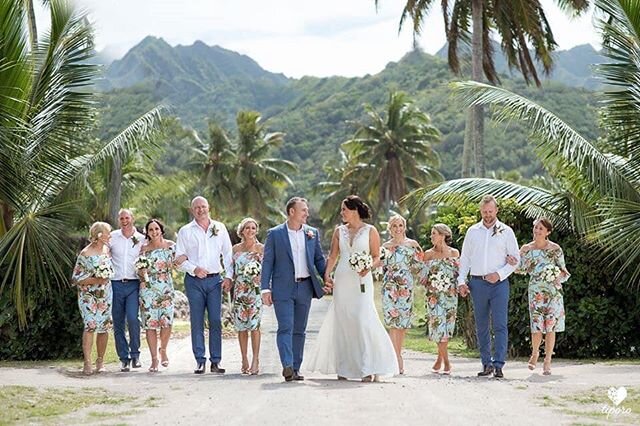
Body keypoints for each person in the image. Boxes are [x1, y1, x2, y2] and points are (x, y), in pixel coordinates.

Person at [307, 195, 398, 382]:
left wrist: (369, 267)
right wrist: (326, 274)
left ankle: (368, 367)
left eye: (344, 209)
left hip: (362, 281)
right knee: (344, 320)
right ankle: (345, 367)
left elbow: (376, 256)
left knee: (362, 319)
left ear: (354, 210)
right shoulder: (339, 231)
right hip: (342, 279)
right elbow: (333, 256)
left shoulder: (370, 231)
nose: (341, 213)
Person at [261, 197, 327, 382]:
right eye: (303, 210)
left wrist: (328, 277)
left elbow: (319, 260)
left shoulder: (312, 233)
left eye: (306, 210)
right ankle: (287, 365)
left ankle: (296, 369)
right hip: (283, 288)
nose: (307, 213)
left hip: (305, 287)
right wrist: (265, 289)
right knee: (285, 327)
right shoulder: (275, 234)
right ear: (292, 212)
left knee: (299, 330)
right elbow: (268, 262)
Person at [457, 195, 520, 379]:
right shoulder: (472, 231)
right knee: (482, 325)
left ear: (496, 210)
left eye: (490, 211)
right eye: (484, 212)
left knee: (500, 324)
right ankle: (486, 364)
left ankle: (499, 364)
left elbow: (515, 260)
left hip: (499, 284)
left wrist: (499, 274)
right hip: (477, 283)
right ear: (480, 211)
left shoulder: (506, 231)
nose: (487, 215)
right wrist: (461, 281)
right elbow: (465, 258)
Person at [176, 196, 233, 374]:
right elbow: (179, 259)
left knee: (216, 320)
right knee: (197, 320)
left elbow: (228, 254)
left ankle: (216, 361)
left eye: (203, 207)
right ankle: (200, 360)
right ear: (192, 210)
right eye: (196, 207)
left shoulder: (220, 228)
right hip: (194, 281)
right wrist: (194, 269)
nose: (200, 210)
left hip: (215, 280)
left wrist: (229, 276)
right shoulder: (185, 231)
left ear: (209, 208)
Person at [507, 218, 570, 375]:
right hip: (536, 292)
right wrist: (513, 260)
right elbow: (519, 268)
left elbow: (564, 271)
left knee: (550, 326)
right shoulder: (527, 248)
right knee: (536, 326)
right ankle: (535, 353)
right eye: (535, 228)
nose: (537, 231)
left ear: (548, 232)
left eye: (540, 228)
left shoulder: (555, 249)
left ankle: (548, 360)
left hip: (553, 292)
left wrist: (557, 277)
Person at [381, 214, 422, 374]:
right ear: (390, 229)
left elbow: (419, 265)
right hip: (390, 286)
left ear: (404, 227)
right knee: (393, 321)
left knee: (402, 322)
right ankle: (396, 358)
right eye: (394, 226)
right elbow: (379, 263)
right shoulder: (385, 246)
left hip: (406, 286)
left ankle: (398, 353)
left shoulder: (412, 244)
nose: (398, 229)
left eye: (400, 225)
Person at [71, 222, 113, 375]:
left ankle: (100, 361)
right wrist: (96, 280)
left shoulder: (107, 250)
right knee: (90, 326)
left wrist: (105, 278)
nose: (111, 235)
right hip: (88, 296)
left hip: (106, 295)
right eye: (109, 233)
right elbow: (76, 278)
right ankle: (87, 362)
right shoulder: (85, 254)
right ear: (100, 235)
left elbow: (110, 272)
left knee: (104, 327)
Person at [419, 224, 461, 375]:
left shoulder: (454, 253)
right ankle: (447, 363)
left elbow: (459, 275)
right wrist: (428, 280)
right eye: (431, 234)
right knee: (438, 328)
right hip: (434, 297)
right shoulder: (428, 254)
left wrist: (460, 286)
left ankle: (439, 359)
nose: (431, 237)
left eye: (434, 234)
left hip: (450, 296)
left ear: (443, 236)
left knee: (447, 329)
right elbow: (423, 278)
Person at [137, 218, 177, 373]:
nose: (154, 232)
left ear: (161, 230)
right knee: (150, 324)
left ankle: (164, 350)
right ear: (147, 232)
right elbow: (139, 269)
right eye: (151, 230)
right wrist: (142, 273)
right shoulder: (143, 249)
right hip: (148, 289)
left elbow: (178, 264)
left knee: (166, 322)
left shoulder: (171, 246)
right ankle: (154, 359)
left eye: (156, 229)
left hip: (166, 287)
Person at [110, 208, 145, 372]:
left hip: (133, 283)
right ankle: (123, 358)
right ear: (119, 220)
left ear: (132, 218)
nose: (124, 220)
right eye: (121, 218)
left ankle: (135, 354)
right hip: (115, 283)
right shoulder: (112, 237)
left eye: (127, 217)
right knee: (118, 322)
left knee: (133, 318)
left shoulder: (141, 239)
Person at [232, 217, 264, 375]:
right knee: (241, 327)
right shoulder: (235, 249)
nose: (250, 231)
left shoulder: (261, 248)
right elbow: (231, 270)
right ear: (242, 231)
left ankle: (255, 360)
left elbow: (268, 268)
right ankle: (244, 358)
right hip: (239, 291)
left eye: (253, 228)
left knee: (254, 326)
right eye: (247, 228)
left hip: (255, 291)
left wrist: (261, 278)